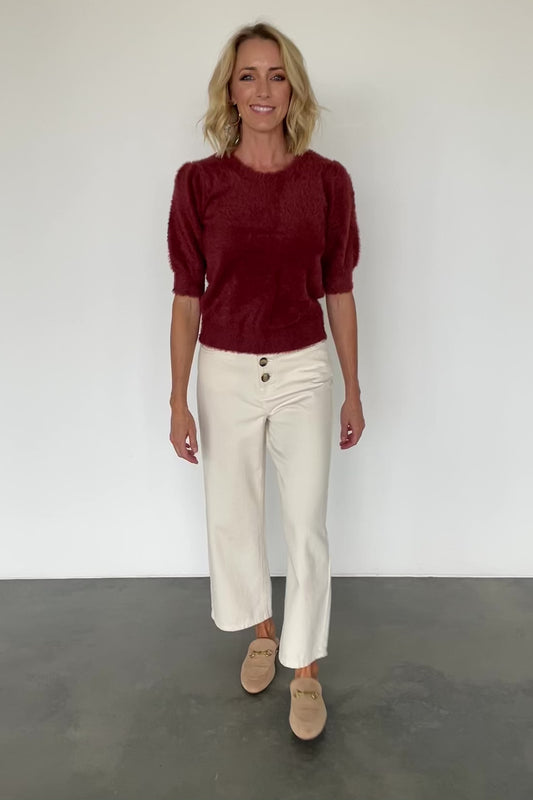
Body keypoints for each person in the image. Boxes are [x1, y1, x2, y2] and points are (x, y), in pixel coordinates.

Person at [167, 21, 365, 741]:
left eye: (276, 75)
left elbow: (338, 288)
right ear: (230, 89)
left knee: (305, 523)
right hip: (224, 369)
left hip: (303, 367)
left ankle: (304, 667)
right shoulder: (198, 182)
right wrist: (178, 398)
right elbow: (186, 295)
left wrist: (352, 387)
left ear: (293, 90)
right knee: (233, 514)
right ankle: (262, 629)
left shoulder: (326, 181)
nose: (262, 89)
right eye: (248, 75)